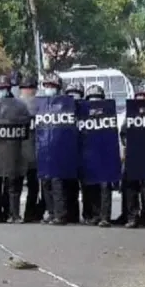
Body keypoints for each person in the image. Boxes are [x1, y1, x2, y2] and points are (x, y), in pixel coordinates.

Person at [0, 74, 32, 223]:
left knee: (13, 184)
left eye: (4, 88)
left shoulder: (19, 106)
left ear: (9, 89)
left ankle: (14, 214)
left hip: (13, 149)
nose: (1, 91)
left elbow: (25, 125)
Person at [120, 80, 145, 230]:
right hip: (134, 155)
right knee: (130, 187)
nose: (142, 99)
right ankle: (132, 217)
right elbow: (123, 132)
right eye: (140, 96)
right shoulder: (132, 112)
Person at [79, 84, 115, 227]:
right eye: (92, 99)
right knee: (90, 187)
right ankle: (93, 215)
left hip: (105, 154)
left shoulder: (109, 113)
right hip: (88, 155)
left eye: (97, 98)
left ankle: (104, 217)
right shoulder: (82, 114)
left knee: (105, 186)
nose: (95, 101)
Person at [38, 72, 69, 225]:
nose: (48, 88)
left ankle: (60, 214)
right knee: (45, 183)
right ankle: (51, 213)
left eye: (52, 86)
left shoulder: (63, 104)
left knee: (57, 183)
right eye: (47, 86)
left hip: (58, 149)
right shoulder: (42, 105)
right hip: (44, 150)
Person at [18, 74, 44, 222]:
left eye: (31, 87)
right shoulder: (16, 104)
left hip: (35, 151)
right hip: (19, 152)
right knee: (15, 187)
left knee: (34, 187)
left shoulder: (40, 105)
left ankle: (31, 213)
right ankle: (13, 213)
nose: (28, 91)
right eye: (26, 88)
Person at [63, 83, 85, 223]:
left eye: (76, 93)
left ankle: (88, 213)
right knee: (69, 186)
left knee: (85, 186)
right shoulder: (63, 109)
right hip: (67, 152)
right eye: (71, 93)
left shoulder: (85, 109)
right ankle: (71, 214)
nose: (74, 96)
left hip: (84, 152)